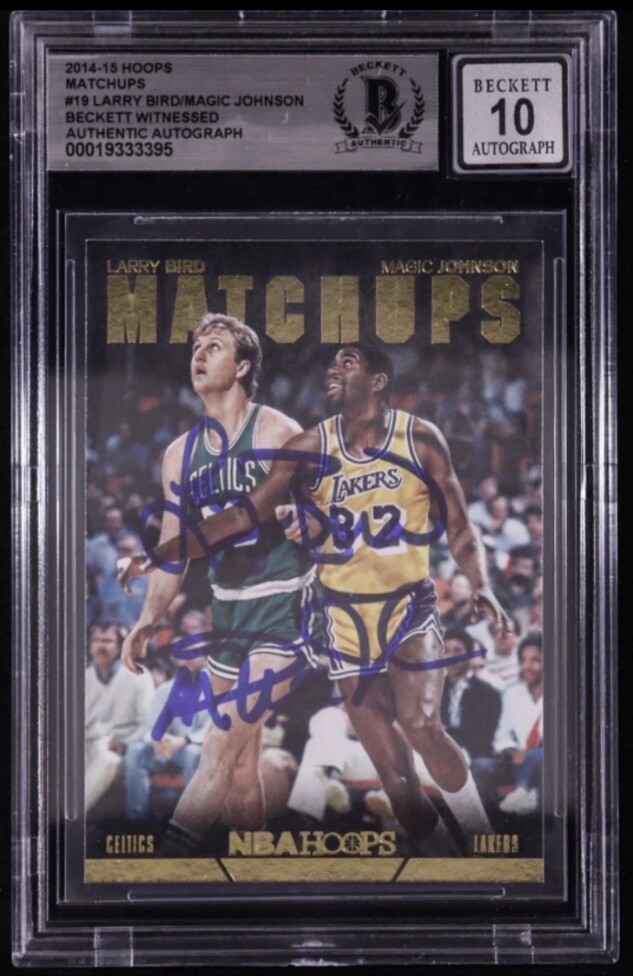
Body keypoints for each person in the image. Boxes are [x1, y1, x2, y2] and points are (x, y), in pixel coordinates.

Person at [120, 342, 511, 853]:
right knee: (398, 783)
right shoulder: (310, 445)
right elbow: (241, 515)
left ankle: (483, 841)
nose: (334, 368)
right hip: (342, 620)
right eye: (332, 361)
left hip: (405, 607)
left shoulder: (419, 437)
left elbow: (459, 527)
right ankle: (444, 857)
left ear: (378, 380)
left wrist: (481, 584)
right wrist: (158, 553)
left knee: (421, 727)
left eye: (349, 362)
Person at [119, 313, 315, 839]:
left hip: (286, 606)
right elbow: (174, 553)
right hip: (227, 610)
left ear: (243, 365)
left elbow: (319, 517)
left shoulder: (277, 430)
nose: (199, 356)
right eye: (195, 348)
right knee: (241, 772)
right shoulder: (178, 455)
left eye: (214, 346)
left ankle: (170, 862)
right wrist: (146, 620)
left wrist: (308, 525)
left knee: (217, 746)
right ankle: (255, 871)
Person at [85, 622, 154, 812]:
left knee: (107, 760)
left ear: (120, 646)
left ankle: (73, 816)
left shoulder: (139, 676)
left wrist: (126, 743)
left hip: (121, 748)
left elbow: (148, 723)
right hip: (88, 743)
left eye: (107, 641)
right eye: (96, 640)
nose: (100, 646)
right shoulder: (82, 677)